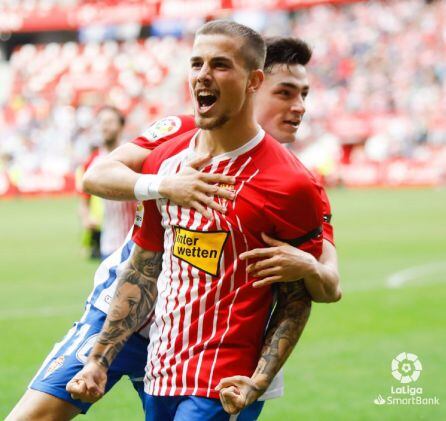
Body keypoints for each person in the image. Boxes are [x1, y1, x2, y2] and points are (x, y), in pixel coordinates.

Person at [6, 34, 339, 421]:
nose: (298, 108)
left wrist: (310, 269)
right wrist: (163, 185)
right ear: (256, 86)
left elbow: (325, 282)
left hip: (208, 341)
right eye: (286, 93)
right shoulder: (178, 135)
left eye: (304, 95)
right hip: (127, 314)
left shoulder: (298, 185)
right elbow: (97, 176)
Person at [79, 106, 136, 260]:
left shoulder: (134, 154)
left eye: (110, 122)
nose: (105, 126)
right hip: (109, 244)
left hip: (136, 242)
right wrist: (87, 219)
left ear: (121, 126)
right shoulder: (93, 161)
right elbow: (84, 199)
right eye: (102, 122)